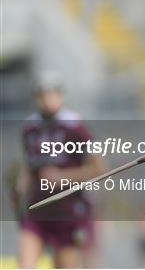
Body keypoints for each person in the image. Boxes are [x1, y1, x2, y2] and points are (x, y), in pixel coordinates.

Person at [17, 73, 105, 268]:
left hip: (69, 212)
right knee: (25, 263)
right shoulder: (30, 128)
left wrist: (63, 177)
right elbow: (28, 168)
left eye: (53, 94)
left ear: (61, 96)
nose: (48, 100)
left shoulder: (76, 127)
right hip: (38, 209)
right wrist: (20, 189)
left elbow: (98, 168)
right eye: (43, 95)